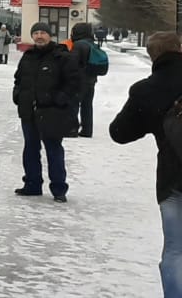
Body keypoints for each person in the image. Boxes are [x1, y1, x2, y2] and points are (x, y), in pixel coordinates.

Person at [109, 32, 182, 296]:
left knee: (176, 251)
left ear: (152, 55)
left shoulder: (146, 90)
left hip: (173, 181)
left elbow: (119, 133)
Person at [13, 22, 82, 202]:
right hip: (28, 111)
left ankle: (59, 189)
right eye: (36, 33)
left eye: (43, 32)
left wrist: (60, 98)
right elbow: (18, 79)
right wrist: (18, 95)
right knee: (30, 149)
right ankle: (32, 184)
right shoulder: (28, 56)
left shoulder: (61, 56)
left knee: (53, 150)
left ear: (50, 35)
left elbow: (74, 82)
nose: (39, 36)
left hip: (52, 112)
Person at [68, 22, 99, 138]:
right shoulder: (92, 44)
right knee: (87, 105)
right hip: (91, 80)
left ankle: (72, 129)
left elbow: (73, 63)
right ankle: (87, 130)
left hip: (79, 81)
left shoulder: (78, 45)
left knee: (73, 104)